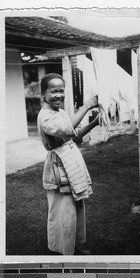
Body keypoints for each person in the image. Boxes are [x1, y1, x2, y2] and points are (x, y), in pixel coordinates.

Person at [37, 73, 99, 255]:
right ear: (43, 95)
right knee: (64, 212)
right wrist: (87, 106)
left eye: (61, 91)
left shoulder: (60, 112)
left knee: (77, 206)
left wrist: (94, 123)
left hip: (70, 162)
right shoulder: (45, 116)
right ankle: (64, 251)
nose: (59, 95)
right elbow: (66, 128)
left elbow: (74, 134)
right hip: (58, 167)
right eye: (53, 91)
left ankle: (76, 245)